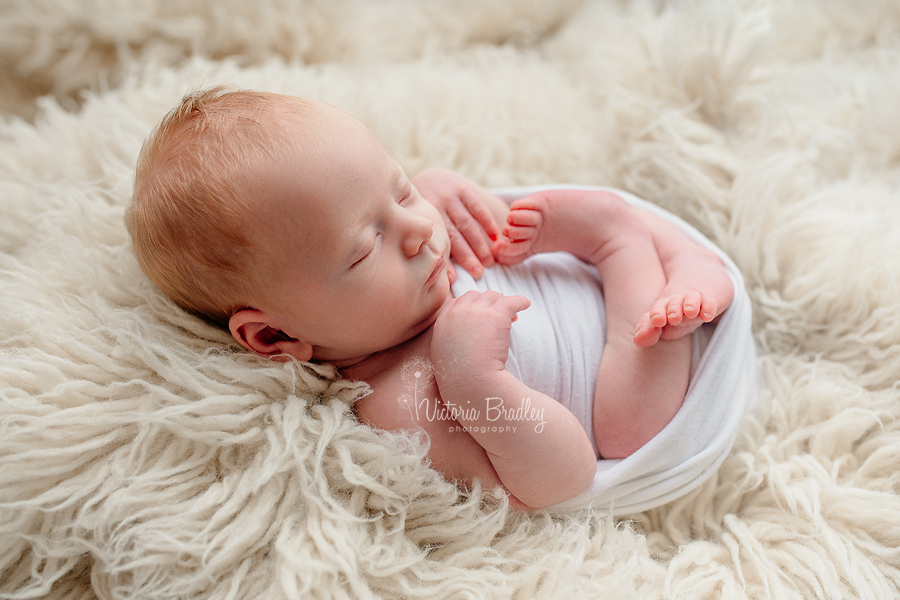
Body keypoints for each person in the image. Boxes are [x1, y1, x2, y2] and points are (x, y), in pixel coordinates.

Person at [127, 88, 734, 510]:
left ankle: (680, 257)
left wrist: (437, 190)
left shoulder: (423, 256)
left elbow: (463, 227)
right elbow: (563, 478)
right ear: (274, 338)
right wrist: (473, 381)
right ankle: (621, 240)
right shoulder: (400, 402)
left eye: (400, 186)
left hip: (581, 288)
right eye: (366, 247)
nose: (418, 230)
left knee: (517, 228)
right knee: (628, 425)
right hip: (648, 399)